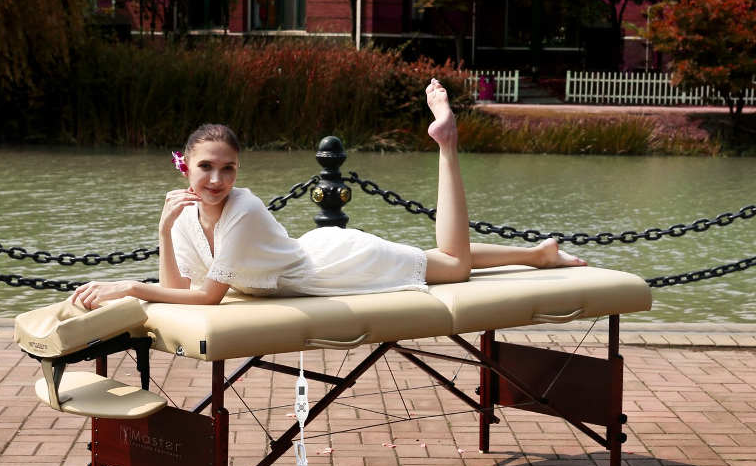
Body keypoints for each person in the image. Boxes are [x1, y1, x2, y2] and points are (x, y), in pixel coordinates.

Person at [71, 79, 584, 310]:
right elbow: (176, 286)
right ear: (185, 166)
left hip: (334, 267)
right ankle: (537, 254)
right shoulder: (184, 212)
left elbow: (206, 297)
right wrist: (164, 230)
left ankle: (447, 145)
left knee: (453, 266)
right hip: (311, 255)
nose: (217, 180)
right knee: (438, 258)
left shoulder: (242, 209)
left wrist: (130, 287)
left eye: (228, 169)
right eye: (206, 167)